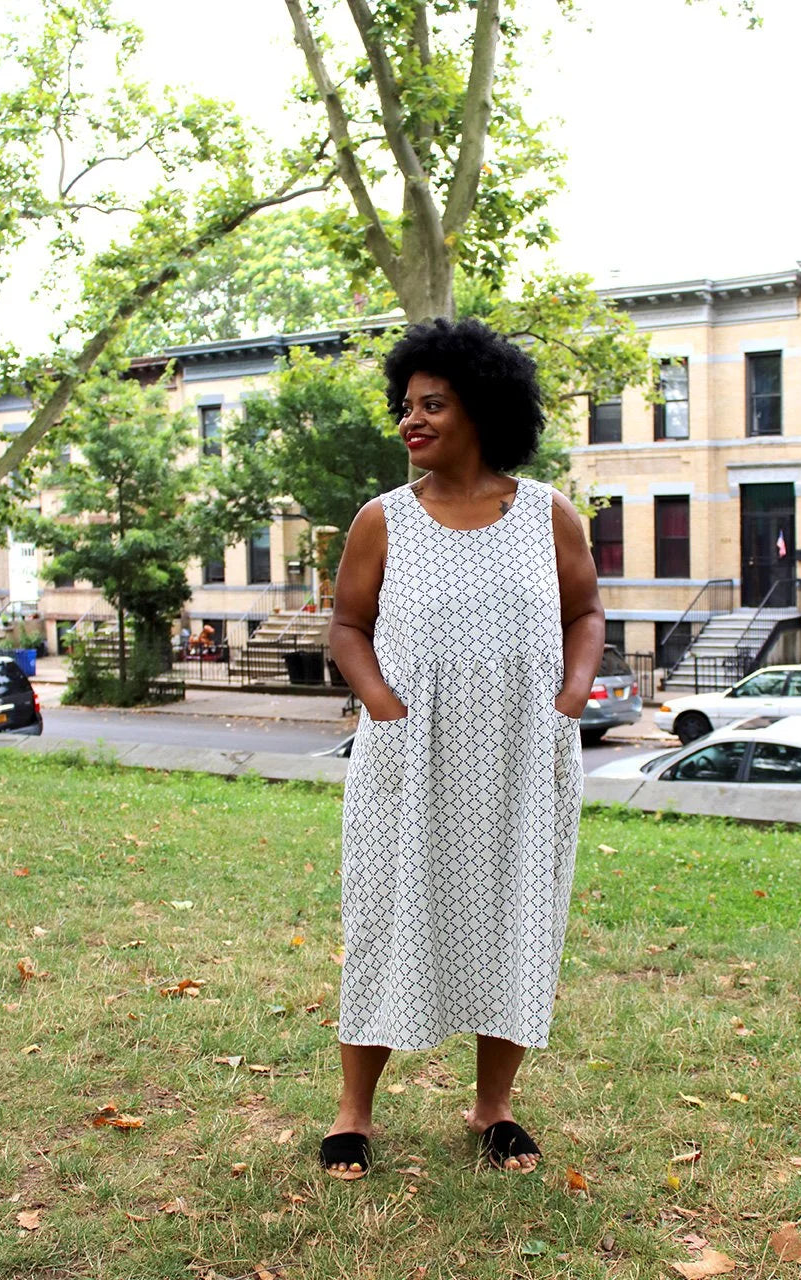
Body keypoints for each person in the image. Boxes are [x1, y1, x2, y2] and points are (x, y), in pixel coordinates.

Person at [323, 318, 605, 1180]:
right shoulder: (383, 519)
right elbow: (347, 626)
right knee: (385, 921)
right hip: (408, 760)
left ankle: (494, 1107)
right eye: (406, 406)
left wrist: (571, 695)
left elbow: (586, 613)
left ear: (483, 407)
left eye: (433, 405)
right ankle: (353, 1112)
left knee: (515, 920)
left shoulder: (549, 514)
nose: (411, 420)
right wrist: (382, 705)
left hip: (523, 760)